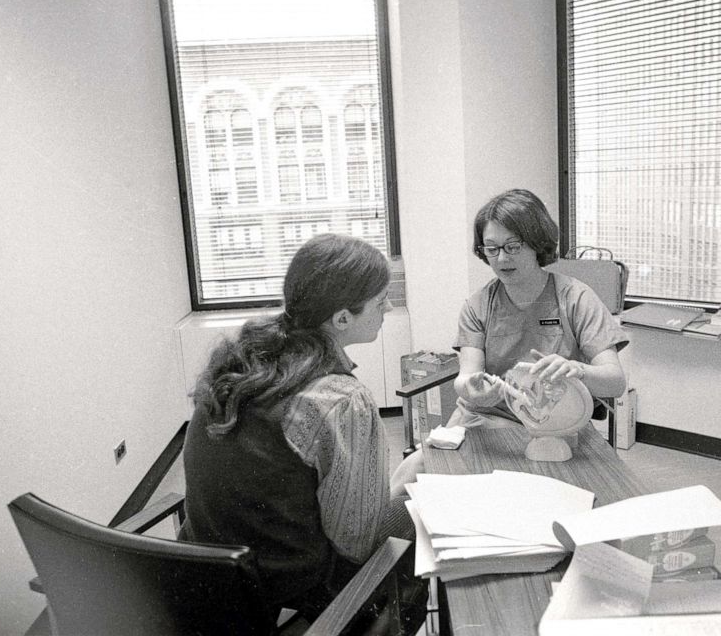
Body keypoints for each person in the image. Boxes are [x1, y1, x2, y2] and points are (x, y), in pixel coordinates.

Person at [179, 233, 420, 629]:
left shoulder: (237, 358)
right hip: (288, 591)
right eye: (380, 302)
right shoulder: (341, 400)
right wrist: (413, 477)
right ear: (342, 318)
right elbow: (358, 545)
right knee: (418, 510)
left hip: (204, 577)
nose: (389, 307)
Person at [449, 188, 629, 428]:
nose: (501, 259)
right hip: (486, 418)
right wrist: (472, 389)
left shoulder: (576, 299)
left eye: (513, 246)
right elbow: (466, 376)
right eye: (491, 248)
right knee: (417, 464)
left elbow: (615, 383)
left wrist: (577, 370)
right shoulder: (478, 306)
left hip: (554, 425)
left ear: (537, 243)